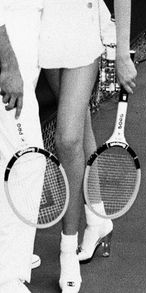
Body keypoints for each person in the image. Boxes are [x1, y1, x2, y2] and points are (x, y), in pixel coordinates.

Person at [39, 0, 137, 292]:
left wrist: (122, 53)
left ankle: (67, 250)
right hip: (43, 31)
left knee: (67, 139)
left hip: (83, 28)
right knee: (81, 130)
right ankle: (98, 218)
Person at [0, 1, 45, 292]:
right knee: (28, 162)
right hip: (9, 54)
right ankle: (8, 277)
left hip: (23, 50)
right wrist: (8, 63)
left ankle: (10, 259)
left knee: (10, 159)